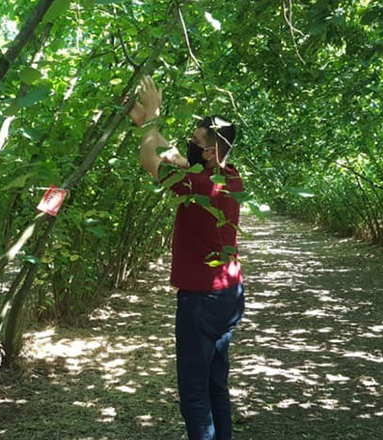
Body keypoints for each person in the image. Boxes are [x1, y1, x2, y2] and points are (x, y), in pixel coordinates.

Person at [127, 75, 245, 440]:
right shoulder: (228, 178)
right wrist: (143, 121)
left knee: (194, 394)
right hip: (229, 294)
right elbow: (173, 155)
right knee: (214, 386)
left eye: (196, 143)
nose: (189, 147)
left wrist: (153, 119)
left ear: (210, 152)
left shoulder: (199, 187)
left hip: (201, 299)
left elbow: (151, 160)